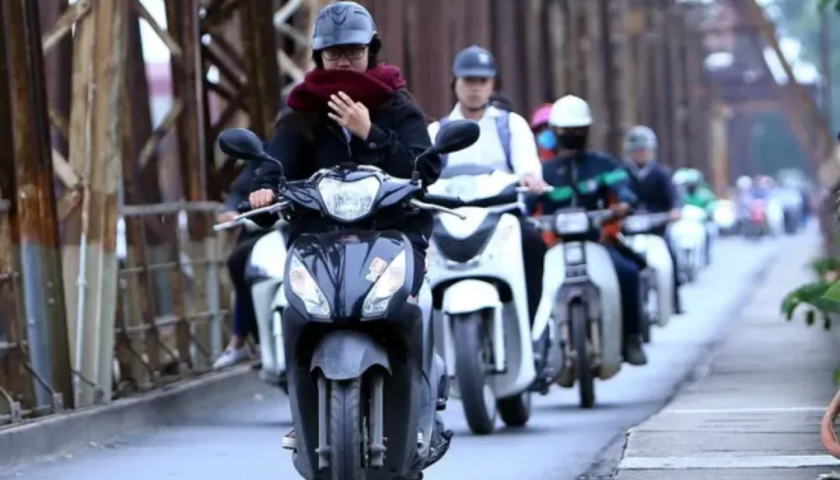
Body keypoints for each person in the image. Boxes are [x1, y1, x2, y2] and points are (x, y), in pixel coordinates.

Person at [247, 1, 450, 461]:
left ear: (370, 52)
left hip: (392, 233)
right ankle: (302, 411)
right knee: (296, 311)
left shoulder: (396, 103)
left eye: (353, 52)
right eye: (334, 52)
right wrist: (262, 189)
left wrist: (370, 132)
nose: (343, 61)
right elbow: (275, 163)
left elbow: (424, 169)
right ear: (318, 56)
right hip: (319, 239)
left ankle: (422, 406)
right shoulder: (300, 110)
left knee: (412, 306)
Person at [427, 45, 549, 327]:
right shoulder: (437, 131)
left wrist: (530, 178)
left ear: (492, 84)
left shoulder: (512, 125)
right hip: (449, 221)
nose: (475, 88)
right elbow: (425, 177)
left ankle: (529, 327)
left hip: (501, 219)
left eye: (482, 81)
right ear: (455, 83)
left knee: (533, 242)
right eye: (468, 80)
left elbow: (529, 168)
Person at [533, 94, 648, 366]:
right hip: (554, 245)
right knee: (531, 279)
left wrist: (625, 203)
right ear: (555, 131)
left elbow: (623, 188)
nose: (572, 135)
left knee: (627, 273)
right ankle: (534, 348)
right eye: (566, 130)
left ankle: (631, 338)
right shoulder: (544, 172)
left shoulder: (604, 164)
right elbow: (527, 201)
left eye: (578, 129)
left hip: (599, 240)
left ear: (587, 130)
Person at [622, 125, 685, 315]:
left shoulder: (661, 173)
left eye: (644, 149)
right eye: (636, 150)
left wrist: (675, 210)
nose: (640, 154)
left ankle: (674, 298)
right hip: (627, 228)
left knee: (670, 257)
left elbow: (674, 196)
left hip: (656, 228)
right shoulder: (622, 174)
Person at [212, 160, 264, 369]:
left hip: (304, 226)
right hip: (263, 230)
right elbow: (240, 189)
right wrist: (231, 210)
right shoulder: (264, 155)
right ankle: (248, 339)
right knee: (239, 262)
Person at [674, 168, 716, 262]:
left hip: (700, 222)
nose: (691, 186)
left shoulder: (705, 194)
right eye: (689, 184)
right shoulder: (682, 195)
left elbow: (711, 205)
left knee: (709, 232)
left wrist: (708, 212)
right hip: (685, 222)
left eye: (692, 184)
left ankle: (706, 253)